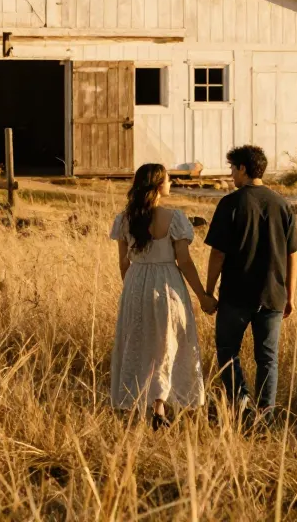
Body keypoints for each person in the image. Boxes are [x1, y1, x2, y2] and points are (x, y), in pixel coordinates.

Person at [109, 162, 216, 427]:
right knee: (166, 344)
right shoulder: (175, 218)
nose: (171, 184)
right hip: (167, 284)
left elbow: (124, 263)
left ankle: (139, 404)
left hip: (136, 283)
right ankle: (158, 407)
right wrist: (202, 295)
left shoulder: (124, 220)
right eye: (168, 180)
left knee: (138, 343)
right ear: (158, 186)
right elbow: (185, 262)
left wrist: (132, 288)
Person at [202, 144, 297, 424]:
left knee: (227, 350)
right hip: (273, 294)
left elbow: (218, 253)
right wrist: (290, 295)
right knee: (267, 358)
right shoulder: (282, 204)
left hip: (236, 294)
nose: (232, 174)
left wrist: (209, 291)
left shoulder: (231, 204)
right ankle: (265, 415)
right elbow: (293, 253)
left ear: (243, 169)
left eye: (233, 168)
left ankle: (241, 402)